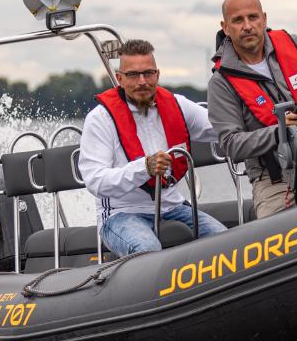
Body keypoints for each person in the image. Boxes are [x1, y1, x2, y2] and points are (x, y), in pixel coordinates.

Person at [79, 38, 227, 256]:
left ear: (157, 75)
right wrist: (144, 168)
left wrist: (273, 120)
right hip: (121, 213)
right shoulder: (100, 119)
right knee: (147, 250)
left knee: (224, 241)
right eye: (133, 75)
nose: (142, 81)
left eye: (148, 73)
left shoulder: (178, 104)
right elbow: (96, 181)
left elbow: (221, 127)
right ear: (119, 78)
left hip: (173, 207)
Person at [207, 0, 297, 219]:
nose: (247, 26)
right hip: (275, 178)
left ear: (264, 19)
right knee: (278, 235)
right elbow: (231, 145)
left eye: (253, 17)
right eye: (238, 20)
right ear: (225, 27)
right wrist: (279, 132)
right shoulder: (221, 82)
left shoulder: (294, 45)